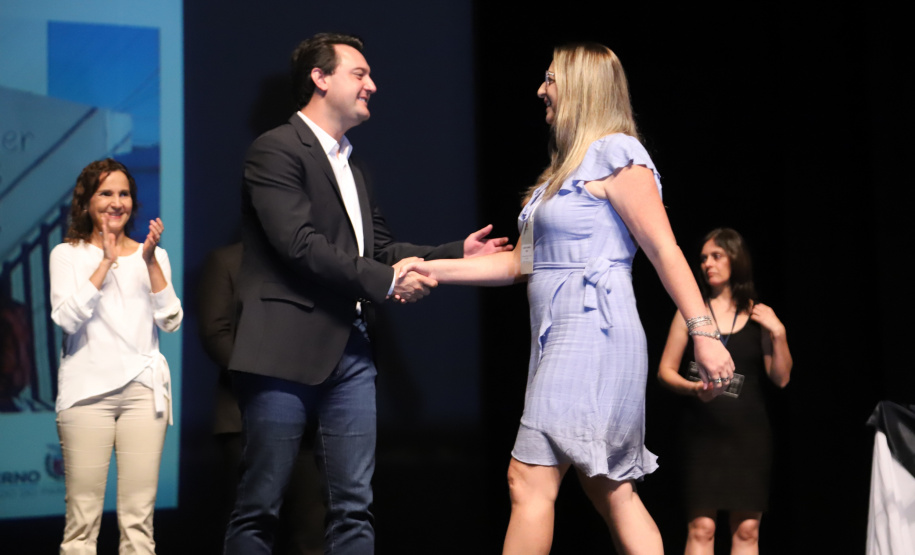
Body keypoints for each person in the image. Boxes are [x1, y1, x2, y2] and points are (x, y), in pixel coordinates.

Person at [400, 42, 734, 555]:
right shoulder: (561, 175)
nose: (540, 90)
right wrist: (431, 268)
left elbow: (664, 248)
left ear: (581, 87)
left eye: (551, 79)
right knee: (611, 489)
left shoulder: (618, 154)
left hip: (594, 331)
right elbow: (520, 264)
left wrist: (703, 332)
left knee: (528, 479)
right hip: (558, 337)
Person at [223, 32, 511, 555]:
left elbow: (377, 248)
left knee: (354, 506)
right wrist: (389, 282)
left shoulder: (353, 166)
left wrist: (452, 254)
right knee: (261, 506)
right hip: (282, 352)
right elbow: (300, 245)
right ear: (320, 77)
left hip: (351, 350)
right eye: (360, 74)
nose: (372, 86)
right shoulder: (276, 149)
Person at [49, 158, 182, 554]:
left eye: (123, 193)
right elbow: (68, 320)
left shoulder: (151, 256)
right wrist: (105, 261)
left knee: (139, 526)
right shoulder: (67, 255)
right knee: (81, 524)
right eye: (105, 193)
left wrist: (150, 260)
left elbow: (171, 320)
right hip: (87, 396)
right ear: (86, 202)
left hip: (143, 394)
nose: (116, 202)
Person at [657, 228, 792, 555]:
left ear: (735, 259)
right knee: (701, 528)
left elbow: (781, 378)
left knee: (747, 530)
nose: (707, 264)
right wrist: (693, 389)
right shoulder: (691, 312)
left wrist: (779, 332)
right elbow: (665, 372)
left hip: (749, 435)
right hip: (703, 432)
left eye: (716, 256)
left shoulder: (756, 313)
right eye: (703, 258)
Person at [197, 241, 324, 555]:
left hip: (306, 422)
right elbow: (216, 333)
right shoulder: (225, 260)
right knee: (252, 528)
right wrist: (268, 376)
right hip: (244, 418)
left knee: (313, 532)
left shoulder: (310, 262)